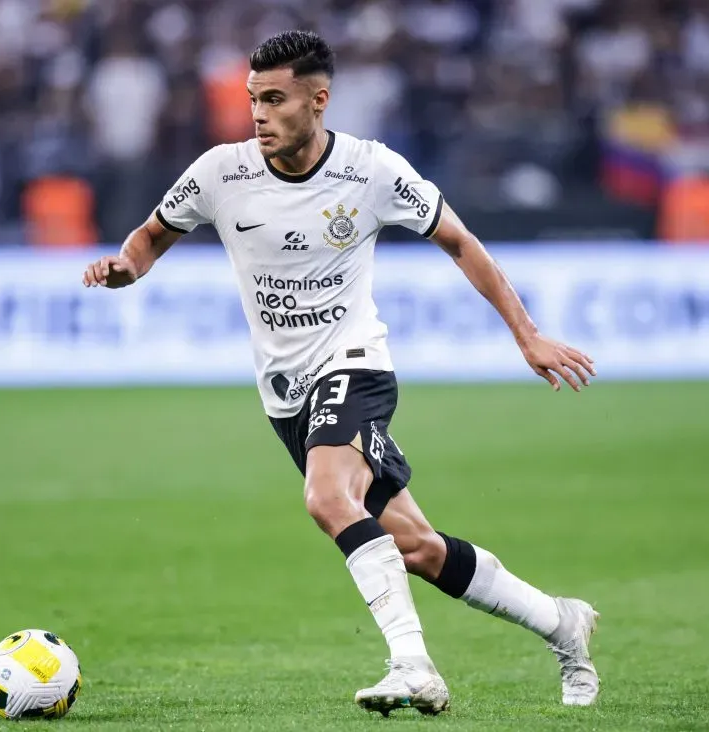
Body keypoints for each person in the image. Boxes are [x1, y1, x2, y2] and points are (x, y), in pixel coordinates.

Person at [82, 31, 599, 716]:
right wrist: (125, 269)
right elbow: (149, 237)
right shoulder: (219, 173)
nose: (258, 115)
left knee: (328, 500)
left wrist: (527, 335)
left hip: (356, 364)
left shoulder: (371, 170)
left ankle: (412, 665)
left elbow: (460, 242)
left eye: (274, 100)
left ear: (318, 100)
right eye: (252, 100)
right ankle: (562, 622)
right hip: (286, 396)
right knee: (415, 546)